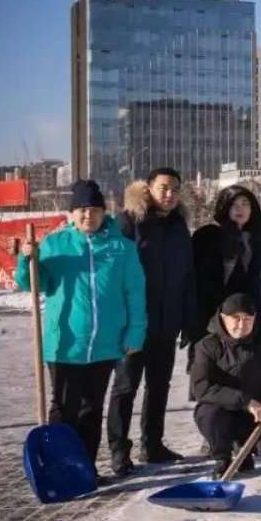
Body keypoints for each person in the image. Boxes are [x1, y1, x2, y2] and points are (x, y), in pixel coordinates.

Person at [14, 180, 146, 485]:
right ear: (72, 213)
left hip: (105, 345)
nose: (89, 215)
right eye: (82, 210)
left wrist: (135, 333)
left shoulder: (122, 248)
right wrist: (26, 259)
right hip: (65, 345)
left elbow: (135, 294)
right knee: (63, 411)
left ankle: (85, 469)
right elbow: (33, 284)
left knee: (91, 409)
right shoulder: (55, 244)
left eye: (95, 210)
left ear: (104, 212)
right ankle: (59, 470)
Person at [106, 168, 195, 476]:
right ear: (149, 188)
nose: (169, 194)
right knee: (126, 386)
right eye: (164, 187)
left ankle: (153, 444)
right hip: (134, 322)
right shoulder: (130, 221)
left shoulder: (179, 226)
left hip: (166, 321)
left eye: (174, 189)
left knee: (159, 385)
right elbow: (113, 272)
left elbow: (186, 276)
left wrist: (185, 320)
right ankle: (119, 450)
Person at [190, 293, 261, 478]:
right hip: (221, 411)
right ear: (223, 318)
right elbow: (201, 388)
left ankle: (243, 448)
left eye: (247, 319)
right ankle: (223, 457)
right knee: (208, 415)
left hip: (256, 414)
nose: (241, 325)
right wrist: (245, 401)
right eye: (235, 319)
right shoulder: (207, 346)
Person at [190, 186, 261, 360]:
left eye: (245, 204)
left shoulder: (256, 239)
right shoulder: (208, 236)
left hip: (245, 319)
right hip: (212, 319)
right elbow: (198, 281)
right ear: (225, 207)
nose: (240, 209)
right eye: (234, 204)